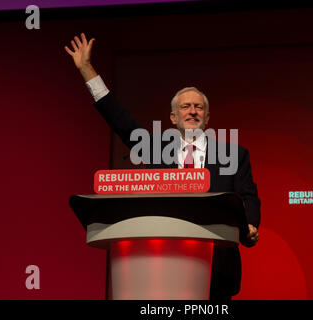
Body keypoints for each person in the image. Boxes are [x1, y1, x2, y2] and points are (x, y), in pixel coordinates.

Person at [65, 33, 261, 299]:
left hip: (218, 270)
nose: (192, 111)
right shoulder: (155, 150)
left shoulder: (234, 154)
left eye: (199, 107)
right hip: (162, 266)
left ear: (207, 117)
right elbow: (120, 121)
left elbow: (248, 196)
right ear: (173, 117)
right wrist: (87, 70)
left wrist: (250, 226)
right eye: (185, 107)